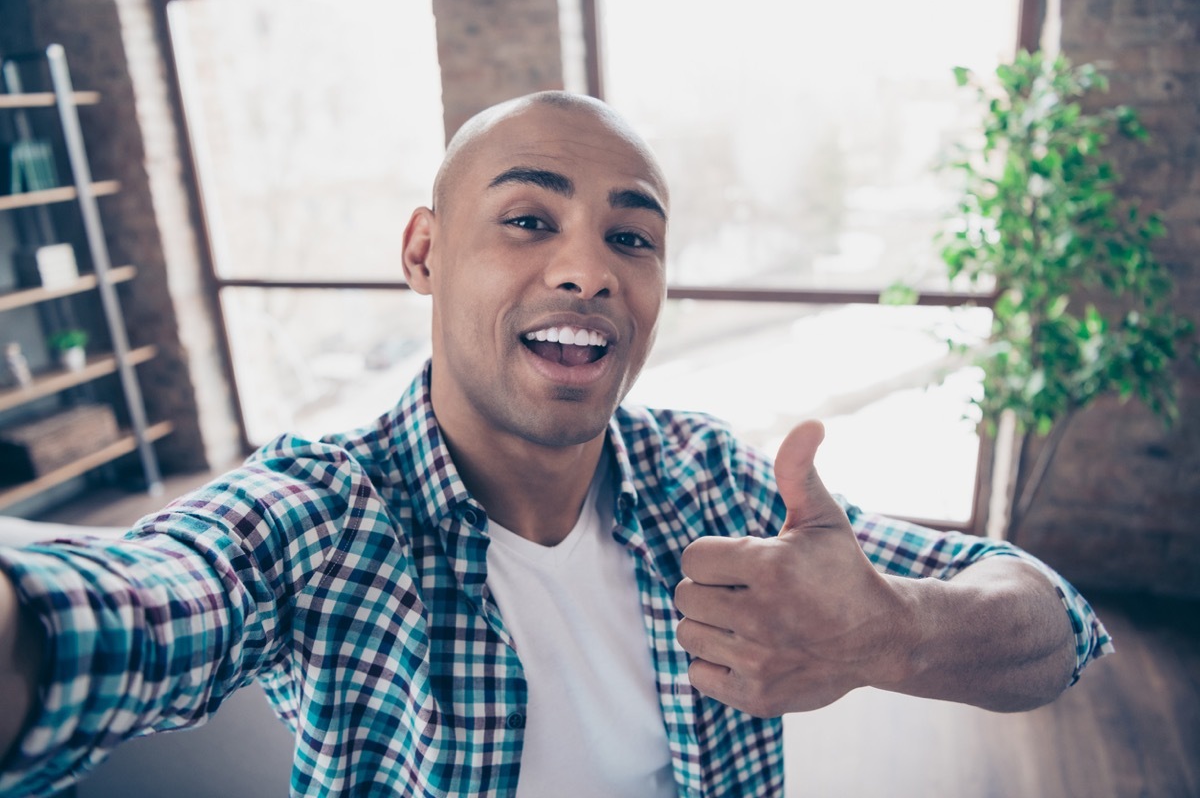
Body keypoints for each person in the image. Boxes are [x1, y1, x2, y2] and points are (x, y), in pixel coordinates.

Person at [0, 91, 1110, 798]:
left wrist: (892, 630)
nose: (590, 269)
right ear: (426, 252)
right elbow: (131, 606)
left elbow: (1056, 622)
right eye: (530, 219)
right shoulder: (318, 517)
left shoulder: (713, 480)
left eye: (632, 235)